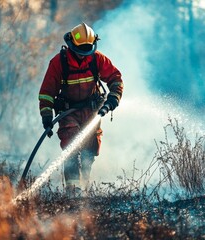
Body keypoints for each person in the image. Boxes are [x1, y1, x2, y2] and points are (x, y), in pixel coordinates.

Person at [38, 23, 124, 195]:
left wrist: (113, 98)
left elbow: (116, 79)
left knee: (89, 151)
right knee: (70, 147)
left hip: (92, 111)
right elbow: (47, 93)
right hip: (68, 112)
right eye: (79, 51)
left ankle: (84, 188)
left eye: (86, 51)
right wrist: (47, 116)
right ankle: (72, 191)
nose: (82, 55)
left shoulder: (97, 59)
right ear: (71, 45)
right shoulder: (58, 62)